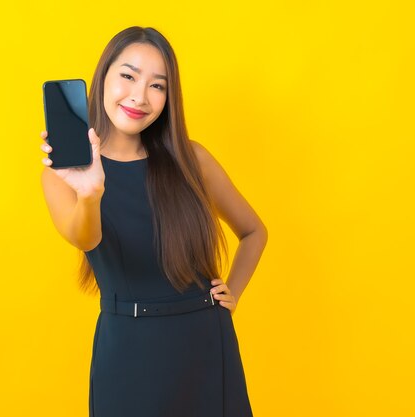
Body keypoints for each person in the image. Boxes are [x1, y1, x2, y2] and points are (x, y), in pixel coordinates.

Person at [38, 26, 268, 417]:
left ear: (169, 97)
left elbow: (254, 231)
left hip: (207, 347)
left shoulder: (191, 159)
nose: (139, 96)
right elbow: (83, 237)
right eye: (128, 76)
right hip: (129, 353)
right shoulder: (65, 171)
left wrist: (234, 293)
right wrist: (91, 192)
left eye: (157, 86)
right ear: (103, 76)